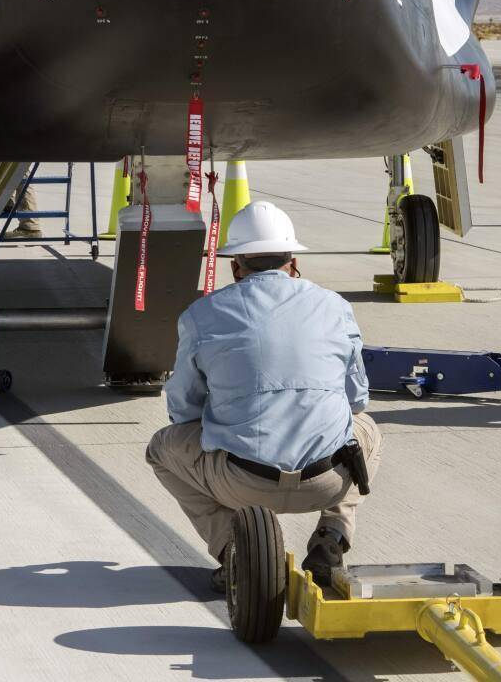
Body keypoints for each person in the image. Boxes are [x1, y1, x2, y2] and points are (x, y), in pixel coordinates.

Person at [146, 201, 380, 592]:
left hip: (242, 484)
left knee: (161, 450)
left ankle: (233, 549)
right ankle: (332, 537)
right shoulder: (335, 307)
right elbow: (357, 401)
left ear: (235, 266)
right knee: (367, 430)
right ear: (292, 261)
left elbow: (182, 411)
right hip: (325, 482)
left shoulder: (201, 315)